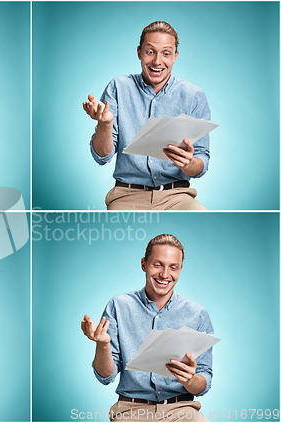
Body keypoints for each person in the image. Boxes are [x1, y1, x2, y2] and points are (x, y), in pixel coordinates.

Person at [81, 234, 213, 422]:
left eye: (173, 267)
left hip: (182, 411)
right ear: (144, 264)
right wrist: (103, 345)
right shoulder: (118, 305)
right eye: (157, 265)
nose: (165, 274)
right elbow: (105, 377)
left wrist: (191, 380)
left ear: (180, 269)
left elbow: (204, 379)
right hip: (131, 411)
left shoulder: (198, 314)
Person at [83, 22, 211, 210]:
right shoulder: (118, 87)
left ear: (175, 56)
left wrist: (188, 163)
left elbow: (202, 161)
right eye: (150, 52)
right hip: (126, 196)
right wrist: (106, 123)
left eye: (166, 53)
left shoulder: (194, 95)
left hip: (177, 196)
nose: (157, 61)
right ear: (139, 52)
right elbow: (102, 157)